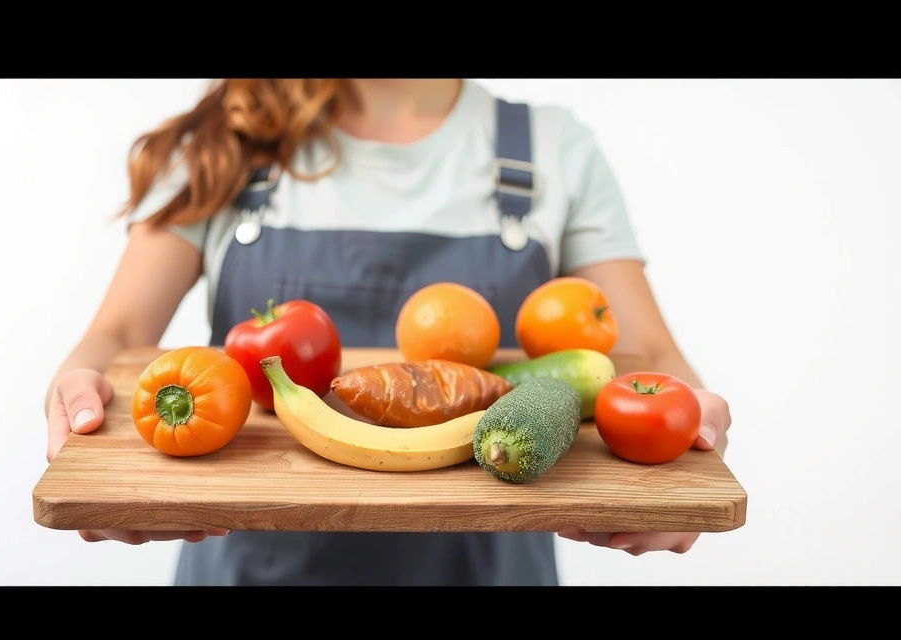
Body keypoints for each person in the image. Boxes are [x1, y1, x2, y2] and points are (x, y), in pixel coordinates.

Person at [44, 78, 732, 586]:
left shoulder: (556, 148)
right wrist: (80, 404)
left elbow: (651, 359)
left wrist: (685, 432)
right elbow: (117, 338)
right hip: (246, 568)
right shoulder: (222, 138)